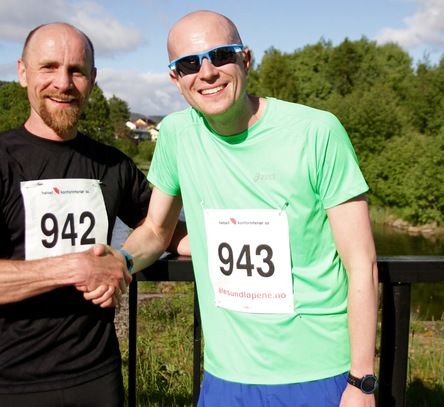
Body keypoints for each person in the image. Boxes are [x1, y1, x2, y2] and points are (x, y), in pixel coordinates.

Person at [121, 10, 379, 407]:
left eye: (221, 55)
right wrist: (117, 262)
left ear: (245, 59)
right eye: (189, 63)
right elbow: (156, 231)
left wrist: (362, 382)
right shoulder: (174, 135)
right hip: (226, 377)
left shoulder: (317, 131)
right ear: (175, 78)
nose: (207, 72)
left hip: (318, 374)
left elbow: (361, 263)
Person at [0, 22, 151, 407]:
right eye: (49, 67)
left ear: (92, 79)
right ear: (23, 73)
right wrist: (74, 268)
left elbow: (163, 229)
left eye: (77, 71)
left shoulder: (113, 165)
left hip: (97, 376)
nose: (63, 83)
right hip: (6, 382)